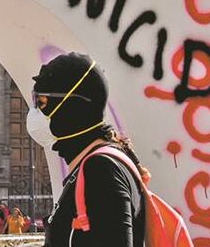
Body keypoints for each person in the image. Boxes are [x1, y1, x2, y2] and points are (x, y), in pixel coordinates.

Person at [27, 52, 146, 247]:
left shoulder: (100, 170)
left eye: (41, 103)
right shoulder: (97, 165)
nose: (34, 113)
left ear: (72, 106)